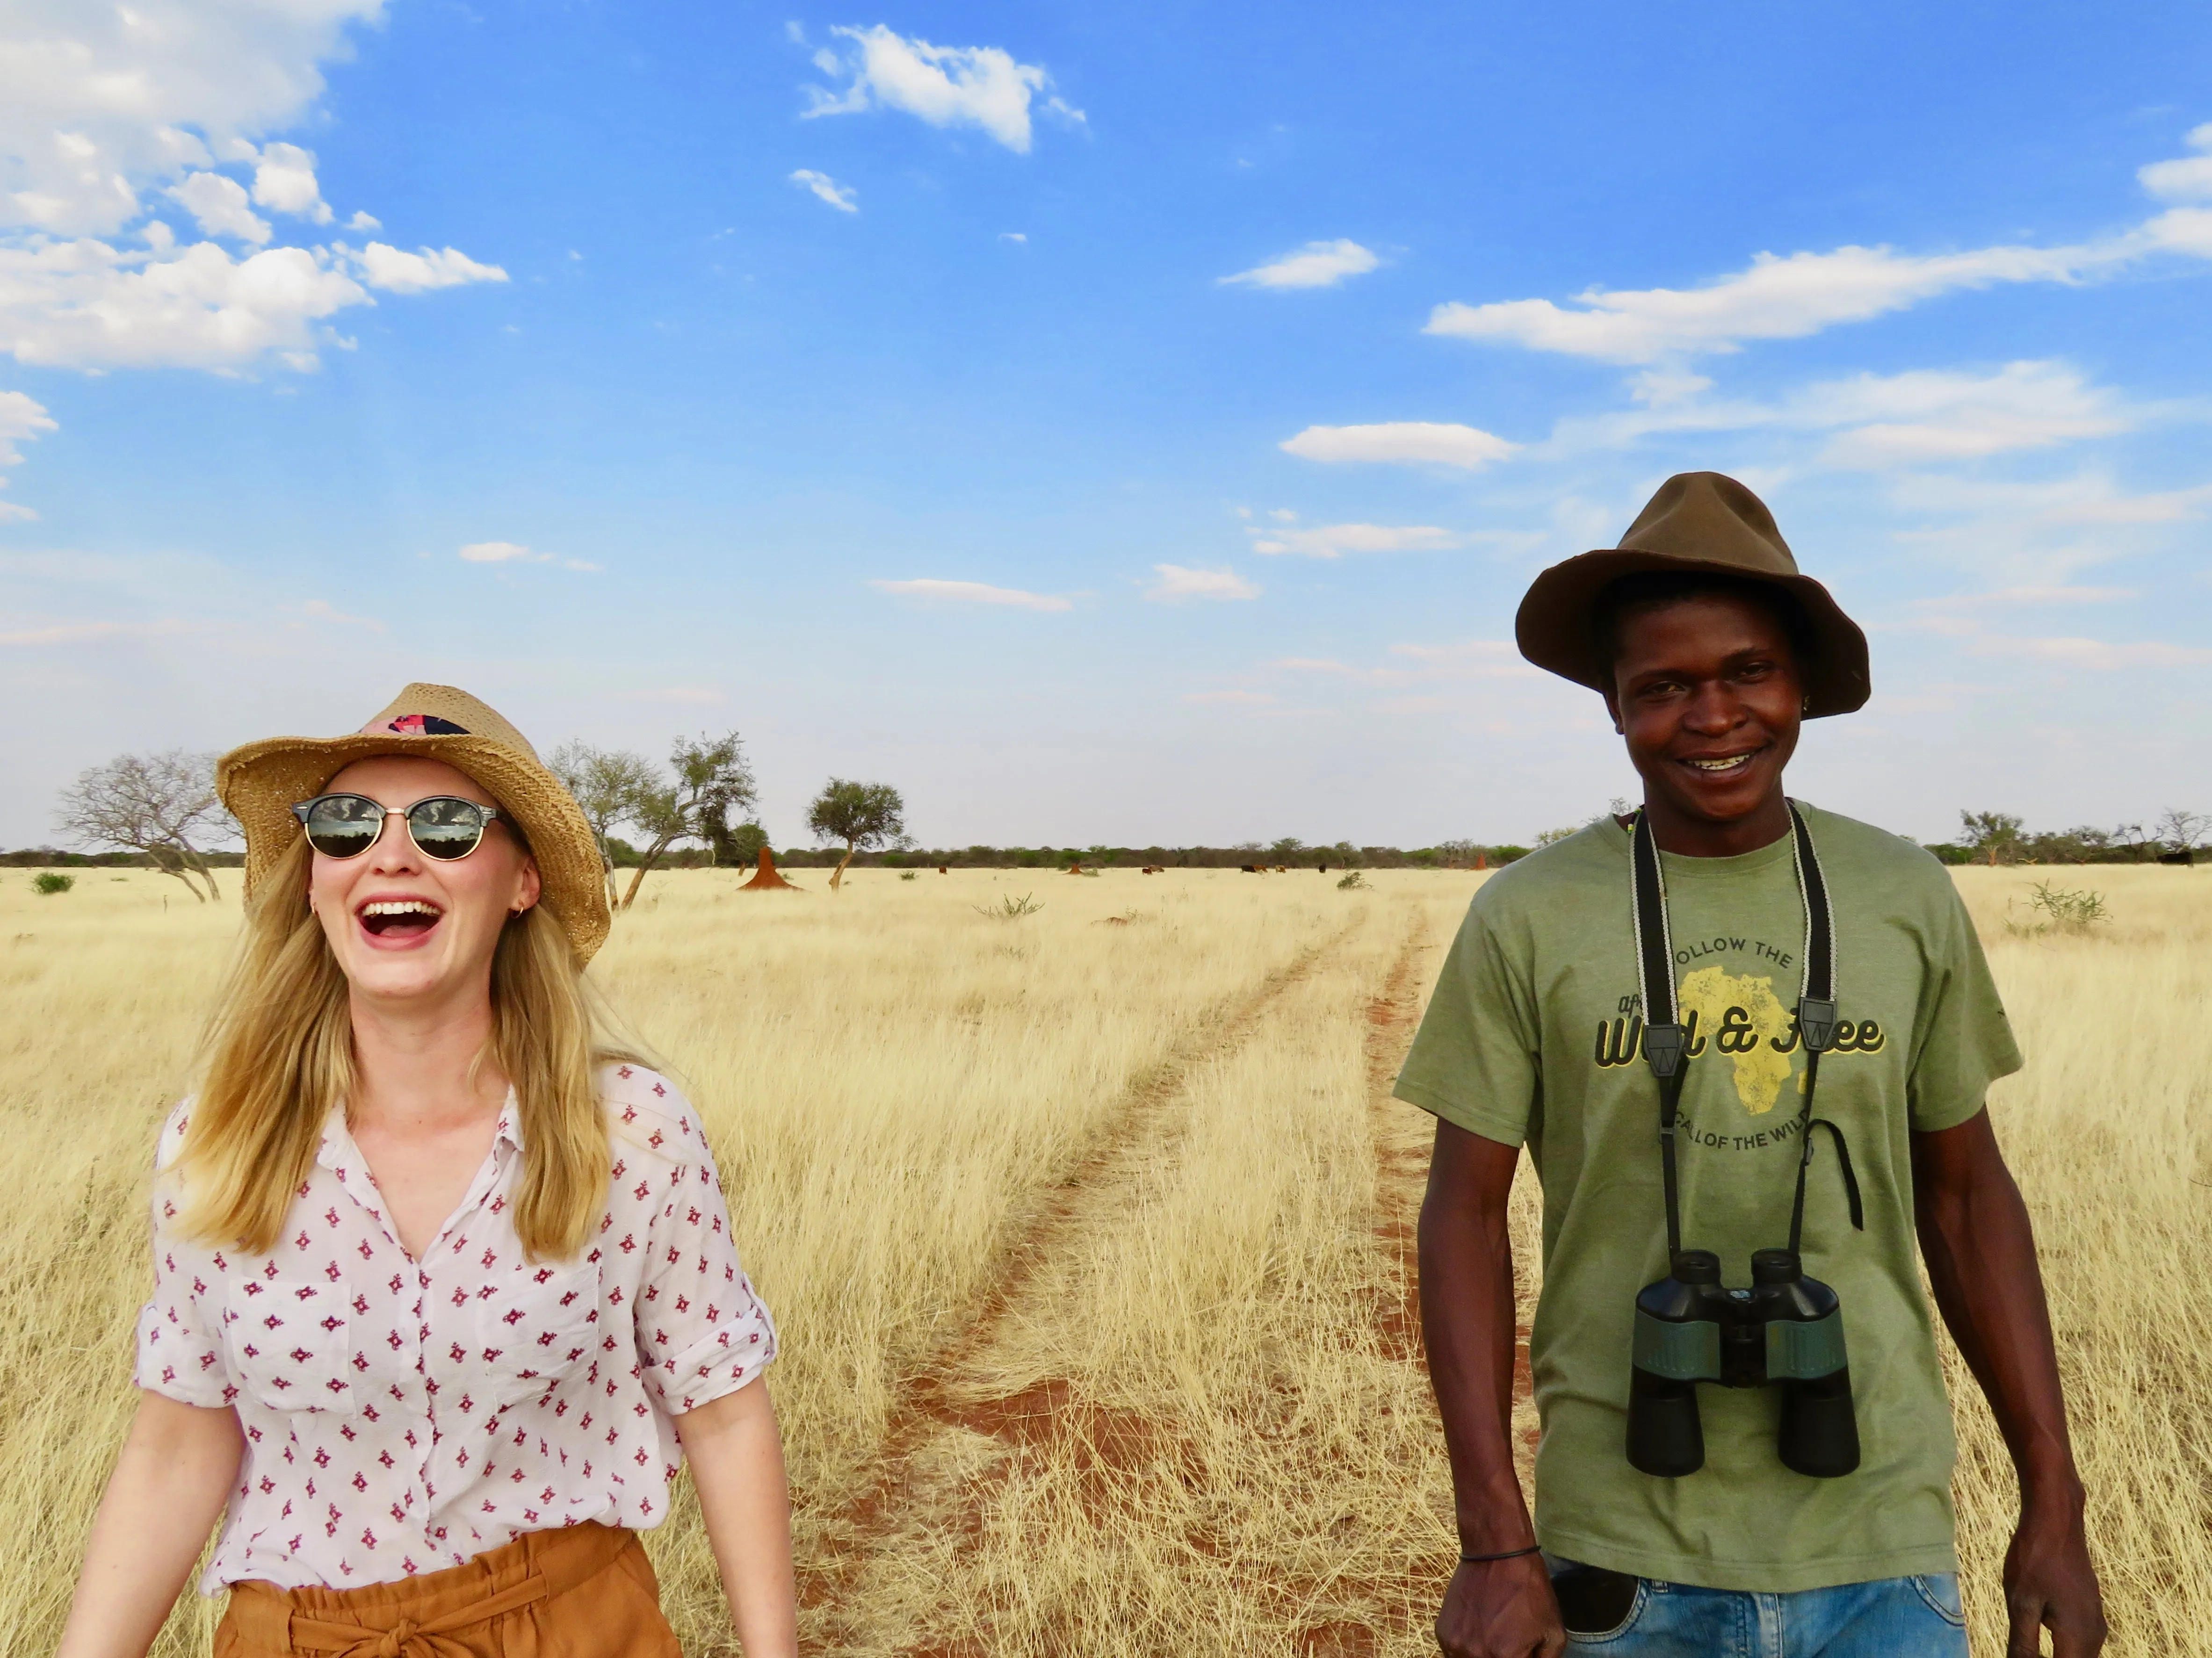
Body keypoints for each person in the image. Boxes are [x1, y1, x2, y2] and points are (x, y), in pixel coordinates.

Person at [1396, 475, 2106, 1658]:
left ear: (1803, 689)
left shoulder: (1901, 895)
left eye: (1746, 674)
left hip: (1879, 1546)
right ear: (1614, 711)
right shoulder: (1528, 914)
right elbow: (1460, 1216)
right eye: (1661, 688)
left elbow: (1969, 1196)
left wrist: (2056, 1500)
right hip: (1618, 1554)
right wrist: (1493, 1544)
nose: (1712, 716)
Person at [56, 685, 797, 1658]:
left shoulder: (631, 1133)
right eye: (346, 822)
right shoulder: (217, 1142)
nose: (390, 854)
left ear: (522, 881)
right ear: (315, 876)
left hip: (570, 1628)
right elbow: (180, 1439)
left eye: (447, 826)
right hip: (293, 1637)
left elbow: (723, 1412)